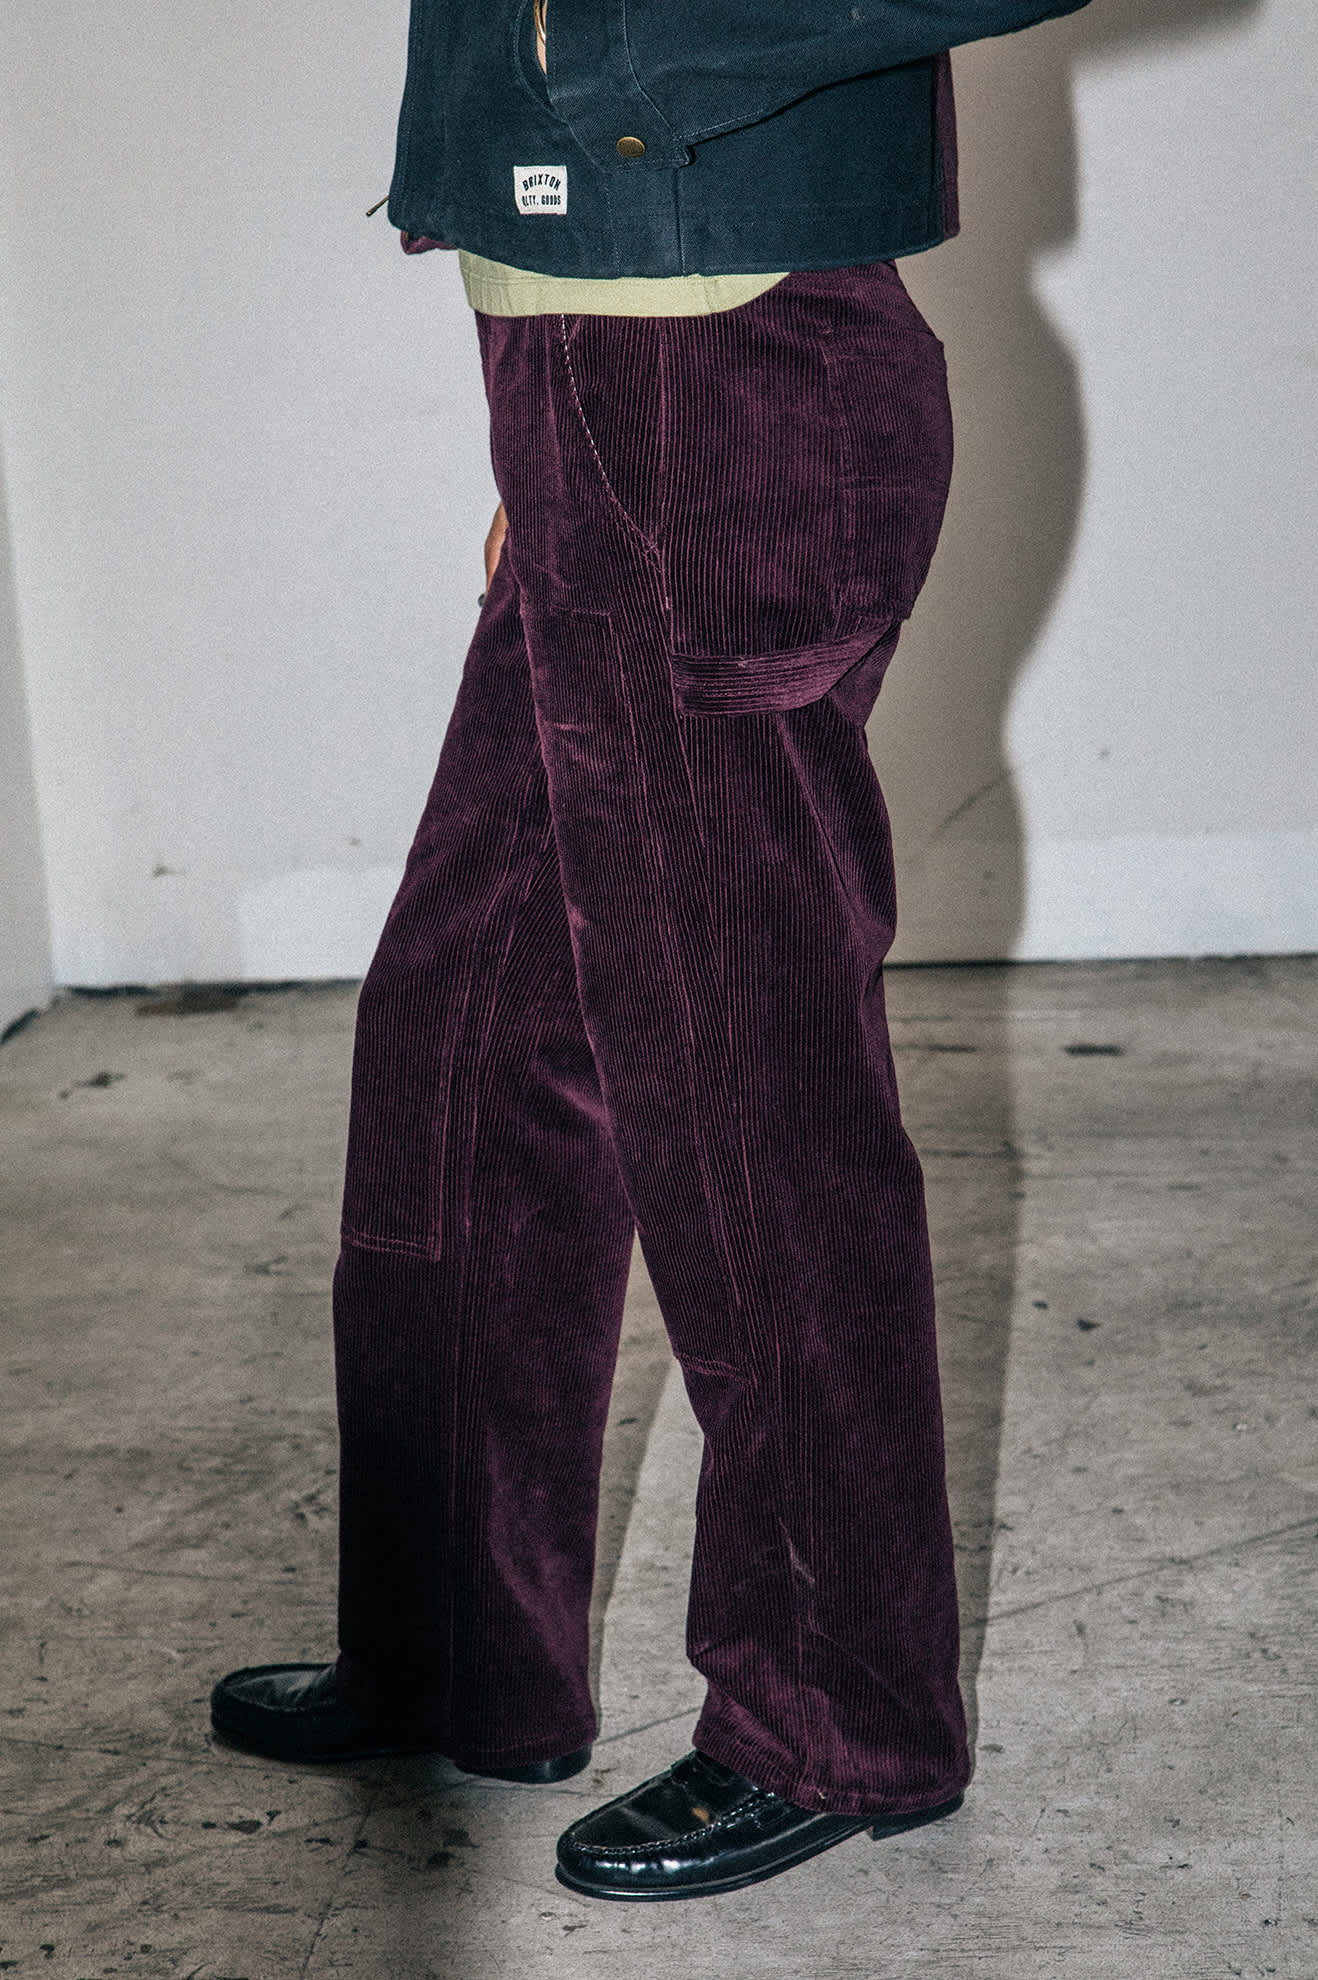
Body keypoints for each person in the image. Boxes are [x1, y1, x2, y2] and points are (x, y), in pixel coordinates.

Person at [211, 0, 1091, 1901]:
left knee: (742, 1089)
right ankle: (459, 1646)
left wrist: (611, 62)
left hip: (730, 394)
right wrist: (552, 439)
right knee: (464, 1032)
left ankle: (845, 1717)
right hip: (590, 389)